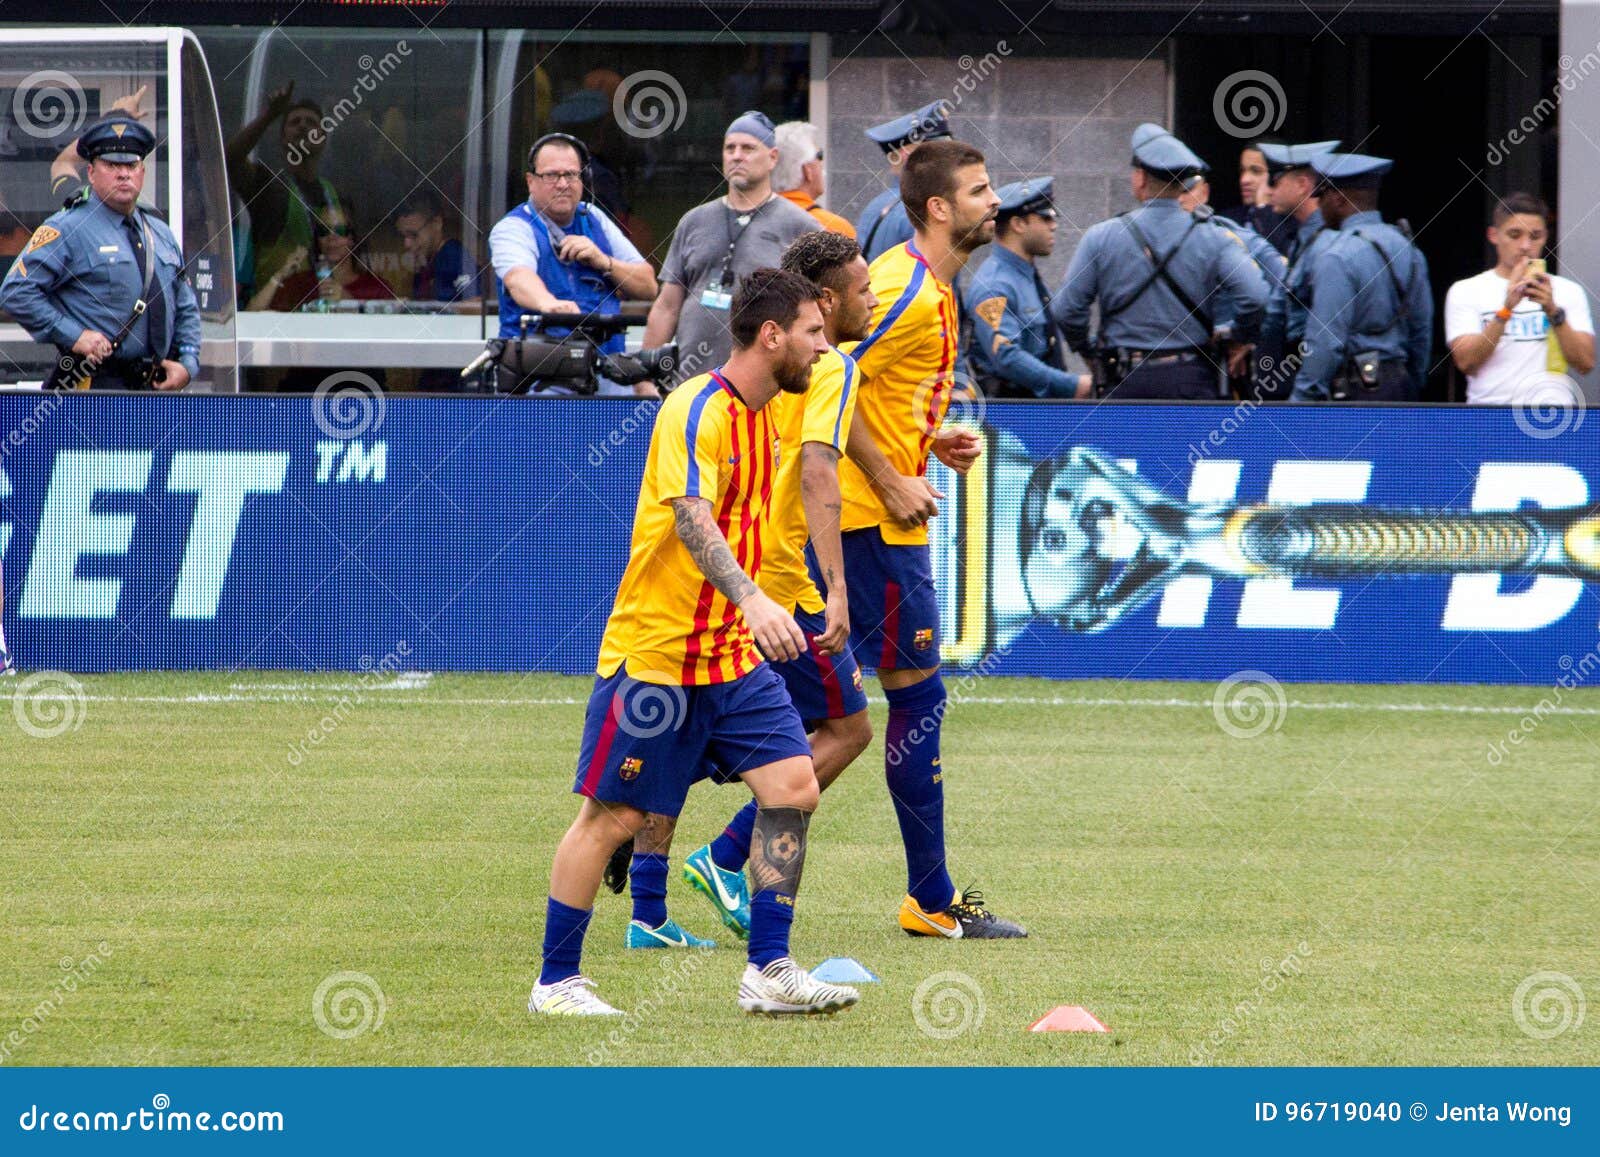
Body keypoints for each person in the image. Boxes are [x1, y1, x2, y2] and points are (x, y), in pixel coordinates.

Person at [528, 268, 860, 1018]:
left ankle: (769, 969)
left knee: (794, 785)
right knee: (610, 816)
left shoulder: (776, 410)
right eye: (813, 331)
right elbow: (691, 517)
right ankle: (556, 982)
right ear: (771, 335)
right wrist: (754, 599)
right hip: (660, 652)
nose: (822, 344)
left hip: (731, 659)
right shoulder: (695, 407)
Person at [606, 231, 878, 947]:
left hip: (734, 589)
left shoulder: (750, 390)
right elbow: (820, 464)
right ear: (815, 306)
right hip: (777, 589)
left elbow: (835, 445)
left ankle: (650, 899)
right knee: (847, 727)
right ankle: (722, 858)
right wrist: (837, 588)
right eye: (859, 290)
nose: (870, 301)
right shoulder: (823, 367)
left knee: (700, 740)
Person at [827, 138, 1026, 939]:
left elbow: (869, 393)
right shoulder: (904, 289)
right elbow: (824, 380)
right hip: (865, 522)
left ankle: (929, 894)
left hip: (881, 517)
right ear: (939, 208)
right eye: (981, 190)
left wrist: (925, 437)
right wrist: (885, 476)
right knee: (909, 701)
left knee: (864, 710)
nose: (994, 201)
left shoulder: (934, 287)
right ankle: (929, 899)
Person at [1051, 124, 1268, 400]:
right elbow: (1256, 296)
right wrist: (1240, 337)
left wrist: (1089, 352)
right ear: (1183, 184)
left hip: (1123, 380)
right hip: (1191, 379)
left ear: (1140, 178)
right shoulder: (1216, 237)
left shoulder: (1101, 237)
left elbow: (1066, 309)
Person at [0, 116, 200, 391]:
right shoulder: (68, 227)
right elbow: (16, 292)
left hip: (154, 388)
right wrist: (75, 336)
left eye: (131, 165)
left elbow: (185, 304)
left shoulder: (159, 232)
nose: (123, 173)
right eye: (112, 165)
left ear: (142, 172)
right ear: (91, 173)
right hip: (93, 383)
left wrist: (188, 363)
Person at [642, 112, 820, 385]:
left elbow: (816, 315)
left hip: (766, 390)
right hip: (692, 384)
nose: (737, 156)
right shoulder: (694, 221)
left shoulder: (801, 227)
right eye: (730, 148)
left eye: (748, 148)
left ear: (773, 157)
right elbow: (667, 306)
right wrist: (645, 377)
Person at [488, 131, 659, 396]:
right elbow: (518, 279)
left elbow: (648, 286)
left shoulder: (595, 218)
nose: (563, 184)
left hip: (606, 369)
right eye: (552, 175)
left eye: (571, 175)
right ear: (531, 181)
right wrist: (548, 304)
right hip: (540, 374)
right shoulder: (513, 228)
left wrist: (604, 261)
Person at [1291, 152, 1433, 402]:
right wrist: (1413, 382)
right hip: (1398, 386)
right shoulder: (1409, 250)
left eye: (1322, 196)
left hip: (1352, 392)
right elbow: (1421, 328)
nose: (1319, 206)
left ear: (1338, 199)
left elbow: (1325, 342)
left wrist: (1302, 401)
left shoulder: (1335, 256)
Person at [1446, 193, 1595, 403]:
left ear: (1545, 237)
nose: (1525, 245)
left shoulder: (1568, 291)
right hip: (1490, 413)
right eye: (1515, 235)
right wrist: (1506, 310)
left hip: (1549, 416)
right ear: (1493, 235)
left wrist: (1553, 310)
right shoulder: (1466, 290)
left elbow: (1585, 363)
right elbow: (1466, 362)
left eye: (1535, 236)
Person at [225, 83, 353, 305]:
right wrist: (270, 114)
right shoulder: (268, 187)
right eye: (295, 122)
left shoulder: (335, 194)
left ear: (323, 139)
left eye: (311, 122)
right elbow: (231, 159)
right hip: (276, 316)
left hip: (329, 316)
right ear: (283, 139)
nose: (303, 126)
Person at [967, 178, 1089, 399]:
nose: (1054, 225)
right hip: (1014, 413)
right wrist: (1072, 385)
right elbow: (1007, 356)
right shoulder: (995, 285)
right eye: (1045, 217)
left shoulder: (1024, 275)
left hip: (1037, 410)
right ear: (1018, 224)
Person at [1177, 174, 1287, 394]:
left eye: (1187, 191)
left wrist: (1247, 336)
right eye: (1174, 193)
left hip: (1220, 368)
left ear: (1204, 192)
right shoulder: (1145, 241)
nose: (1180, 200)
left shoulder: (1234, 237)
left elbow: (1284, 286)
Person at [1257, 140, 1341, 398]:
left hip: (1310, 381)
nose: (1269, 190)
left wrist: (1303, 397)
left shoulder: (1324, 243)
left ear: (1303, 185)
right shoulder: (1304, 239)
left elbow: (1325, 332)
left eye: (1276, 180)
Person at [854, 101, 951, 263]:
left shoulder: (874, 207)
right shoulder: (924, 209)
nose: (949, 159)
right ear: (907, 154)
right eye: (938, 151)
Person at [256, 203, 395, 312]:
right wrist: (279, 275)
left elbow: (385, 336)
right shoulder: (299, 284)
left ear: (352, 238)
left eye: (340, 231)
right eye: (324, 231)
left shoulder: (376, 288)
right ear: (318, 239)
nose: (331, 238)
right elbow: (252, 318)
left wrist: (349, 303)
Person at [394, 188, 480, 303]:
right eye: (403, 236)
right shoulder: (425, 264)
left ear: (436, 223)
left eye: (414, 235)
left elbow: (476, 305)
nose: (407, 244)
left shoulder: (454, 256)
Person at [773, 121, 855, 238]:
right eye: (819, 156)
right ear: (808, 170)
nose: (822, 163)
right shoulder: (835, 228)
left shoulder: (753, 220)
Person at [1219, 141, 1295, 255]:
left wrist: (1264, 210)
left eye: (1256, 171)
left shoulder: (1295, 219)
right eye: (1242, 171)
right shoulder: (1227, 220)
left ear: (1277, 175)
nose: (1244, 180)